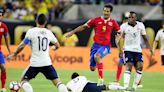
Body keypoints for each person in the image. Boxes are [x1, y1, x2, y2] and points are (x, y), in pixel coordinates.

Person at [7, 14, 68, 92]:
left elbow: (22, 45)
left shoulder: (31, 31)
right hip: (47, 63)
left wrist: (14, 54)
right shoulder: (48, 32)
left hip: (35, 64)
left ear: (36, 21)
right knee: (58, 83)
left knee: (23, 81)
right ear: (45, 22)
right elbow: (58, 45)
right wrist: (54, 48)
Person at [66, 4, 120, 85]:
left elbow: (120, 32)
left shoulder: (113, 22)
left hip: (106, 46)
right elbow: (83, 26)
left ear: (110, 12)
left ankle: (101, 80)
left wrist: (119, 40)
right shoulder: (95, 20)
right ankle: (99, 64)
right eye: (104, 11)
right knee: (92, 68)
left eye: (107, 11)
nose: (105, 13)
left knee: (97, 56)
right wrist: (72, 32)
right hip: (95, 46)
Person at [116, 11, 153, 90]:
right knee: (128, 66)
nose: (130, 19)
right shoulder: (123, 26)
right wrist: (119, 50)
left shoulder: (140, 25)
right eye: (129, 17)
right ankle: (126, 87)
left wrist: (150, 48)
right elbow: (117, 38)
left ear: (135, 18)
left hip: (138, 51)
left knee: (140, 66)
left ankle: (134, 87)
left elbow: (145, 38)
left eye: (132, 17)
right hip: (127, 50)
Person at [114, 13, 143, 88]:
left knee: (134, 65)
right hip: (124, 50)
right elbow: (118, 37)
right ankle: (117, 80)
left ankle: (138, 82)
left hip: (129, 50)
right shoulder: (123, 28)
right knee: (122, 64)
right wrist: (119, 50)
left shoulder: (129, 29)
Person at [66, 72, 134, 92]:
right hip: (89, 85)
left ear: (72, 78)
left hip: (83, 90)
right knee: (107, 87)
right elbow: (89, 82)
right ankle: (124, 88)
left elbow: (66, 89)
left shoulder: (69, 83)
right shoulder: (82, 77)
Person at [0, 9, 11, 92]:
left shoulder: (4, 27)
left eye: (0, 15)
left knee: (3, 67)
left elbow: (6, 39)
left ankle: (3, 87)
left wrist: (10, 51)